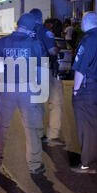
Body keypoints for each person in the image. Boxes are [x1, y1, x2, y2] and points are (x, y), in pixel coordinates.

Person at [0, 13, 49, 175]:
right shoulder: (35, 44)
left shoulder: (0, 43)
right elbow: (40, 70)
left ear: (17, 25)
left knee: (1, 127)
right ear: (31, 29)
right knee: (32, 129)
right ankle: (34, 165)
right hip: (28, 89)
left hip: (7, 88)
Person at [71, 12, 97, 174]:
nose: (81, 23)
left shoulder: (87, 40)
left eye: (82, 20)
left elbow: (80, 69)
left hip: (88, 89)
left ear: (86, 22)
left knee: (87, 126)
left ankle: (86, 163)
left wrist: (75, 90)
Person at [30, 9, 65, 147]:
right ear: (40, 18)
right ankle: (52, 136)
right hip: (45, 68)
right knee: (56, 102)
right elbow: (51, 51)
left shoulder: (26, 32)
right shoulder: (44, 31)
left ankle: (36, 134)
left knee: (36, 105)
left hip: (29, 70)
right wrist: (57, 48)